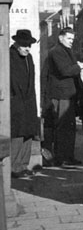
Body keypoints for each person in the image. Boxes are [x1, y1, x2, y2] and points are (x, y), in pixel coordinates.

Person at [45, 27, 83, 167]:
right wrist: (79, 67)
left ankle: (68, 156)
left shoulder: (64, 51)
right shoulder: (56, 51)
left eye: (72, 39)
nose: (71, 42)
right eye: (69, 39)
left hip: (67, 94)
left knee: (69, 127)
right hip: (61, 95)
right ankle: (62, 158)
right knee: (63, 127)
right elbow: (64, 70)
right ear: (61, 38)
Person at [9, 29, 39, 178]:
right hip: (16, 101)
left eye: (29, 45)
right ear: (17, 44)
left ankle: (23, 165)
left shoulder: (29, 57)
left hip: (28, 101)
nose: (27, 48)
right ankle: (14, 167)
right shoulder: (9, 56)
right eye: (25, 45)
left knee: (28, 133)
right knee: (17, 134)